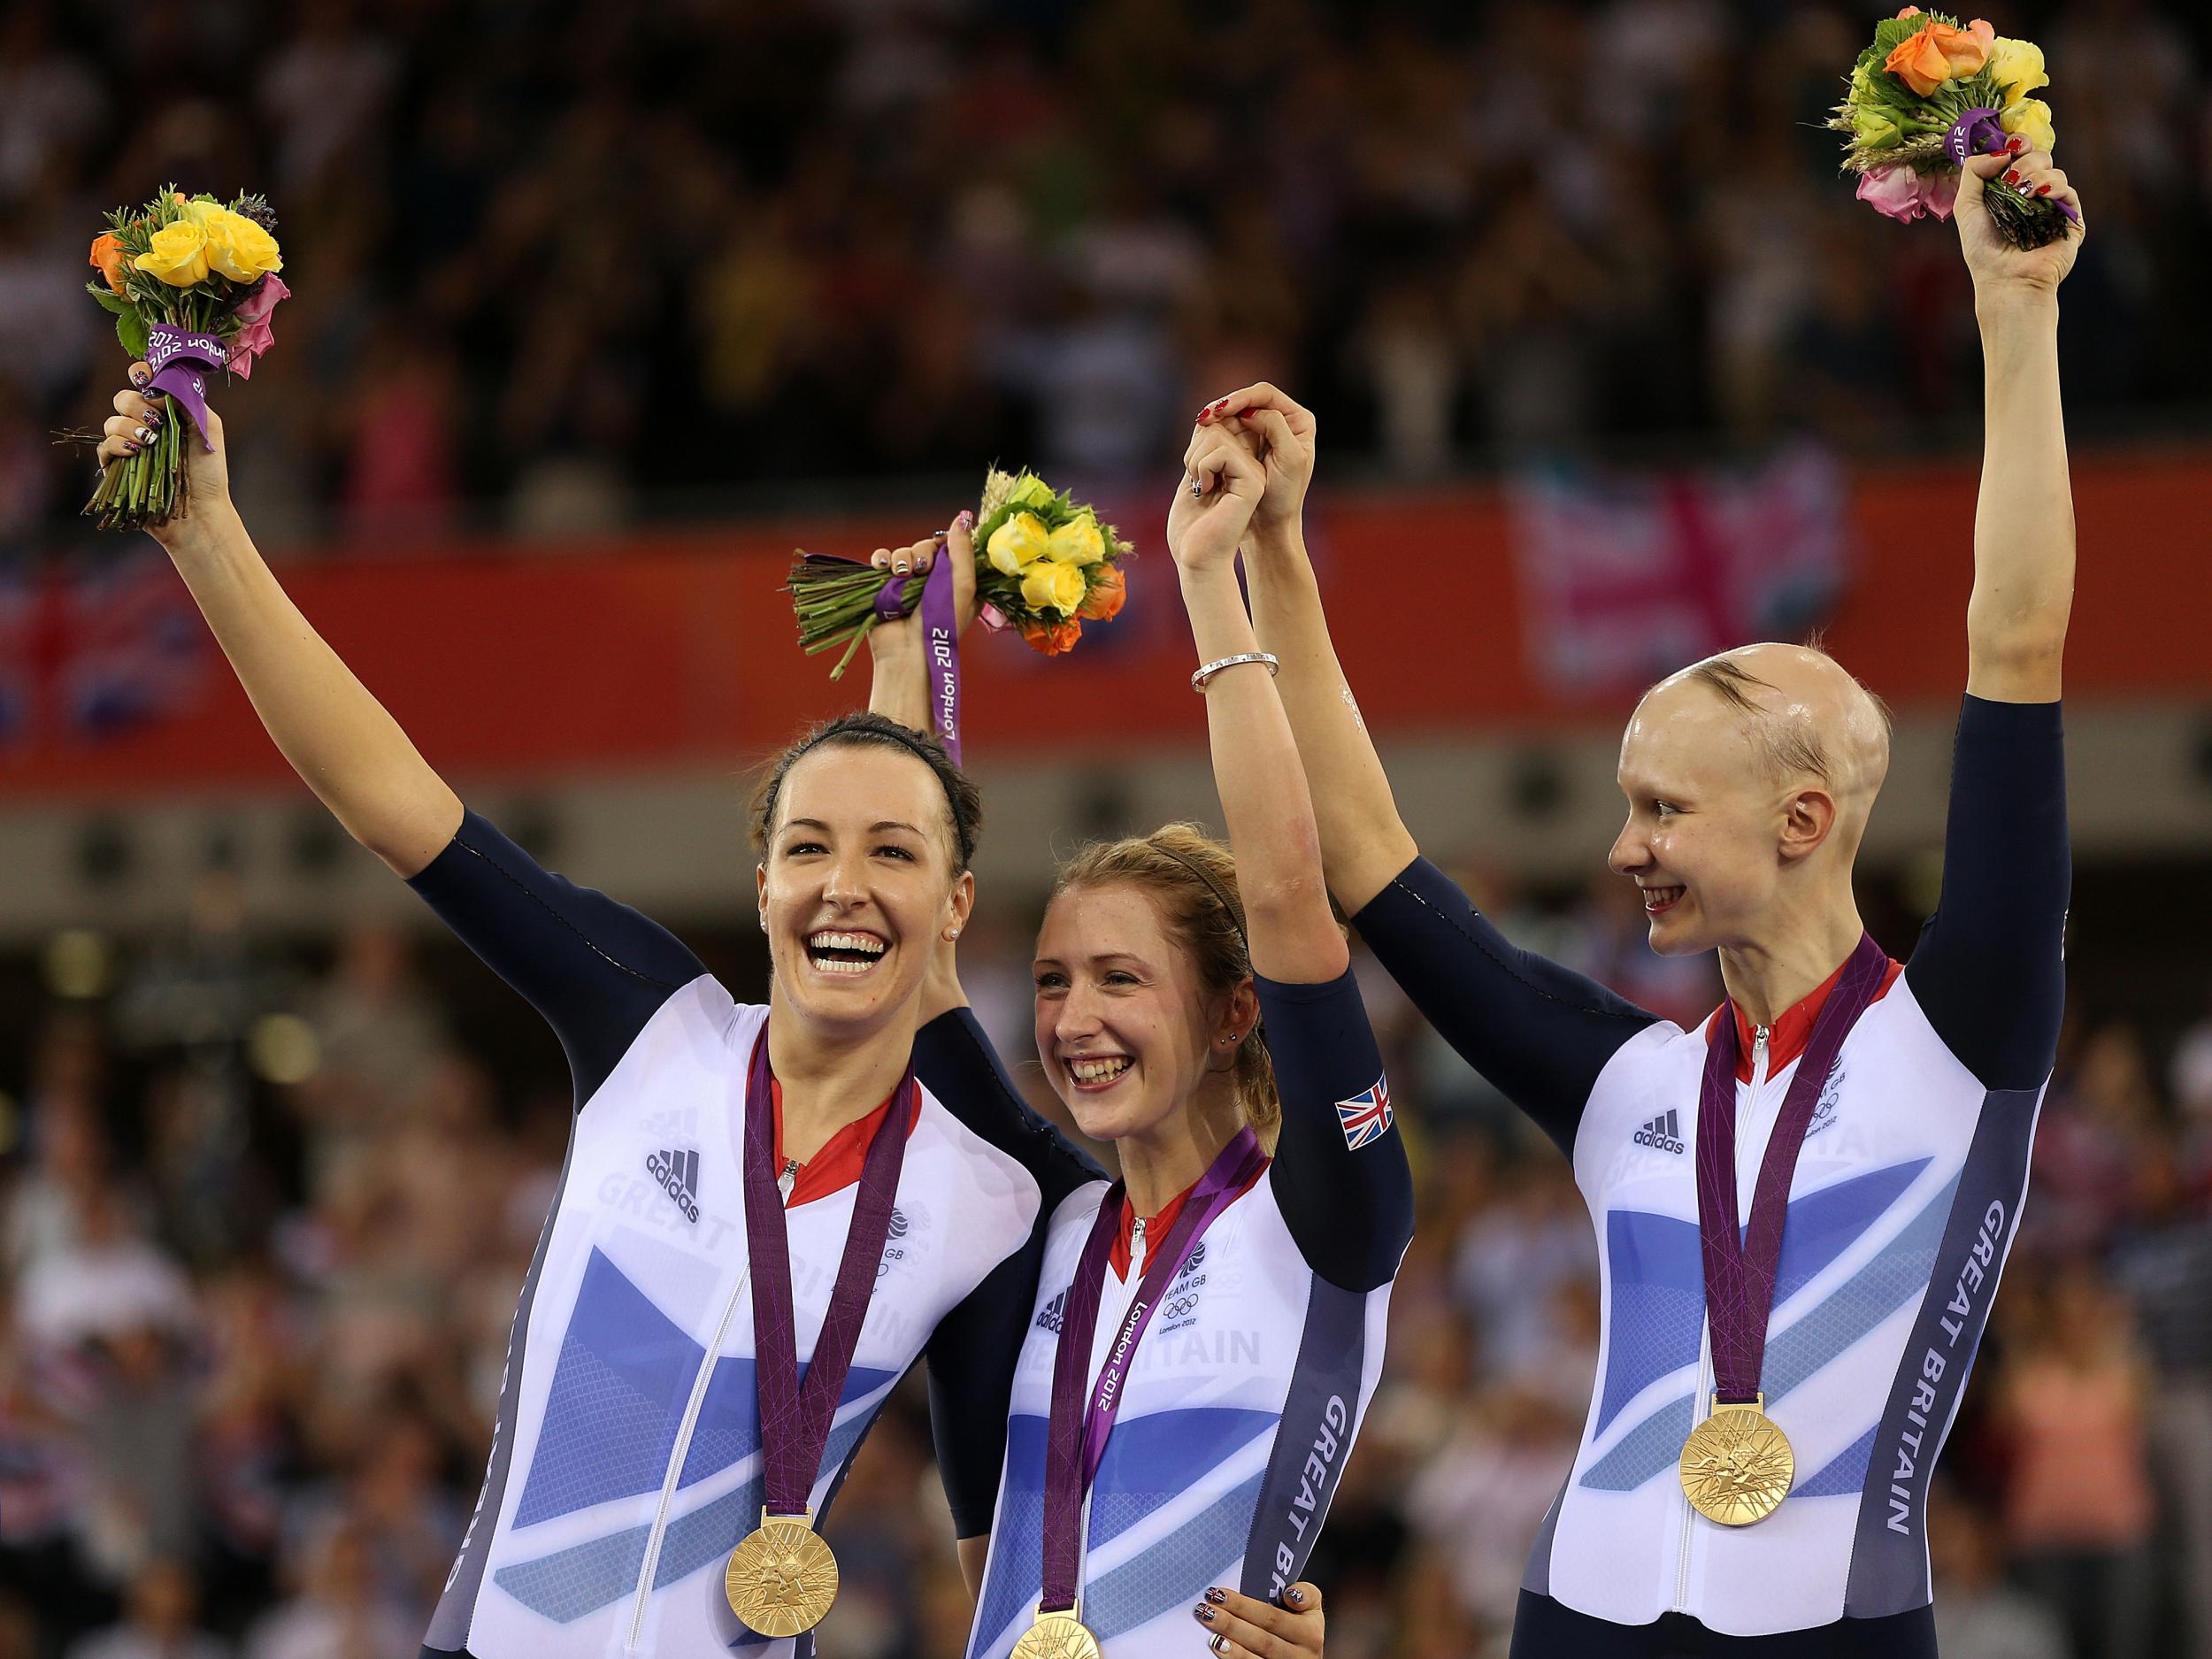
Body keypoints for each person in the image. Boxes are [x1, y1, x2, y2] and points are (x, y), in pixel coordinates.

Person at [1204, 140, 2083, 1655]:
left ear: (1806, 820)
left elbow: (2015, 645)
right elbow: (1373, 864)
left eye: (1664, 808)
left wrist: (2015, 315)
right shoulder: (1631, 1085)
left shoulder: (1962, 1037)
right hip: (1573, 1619)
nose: (1625, 851)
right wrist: (1282, 555)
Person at [88, 392, 1099, 1658]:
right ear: (763, 887)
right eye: (808, 848)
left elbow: (1006, 1566)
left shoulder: (995, 1201)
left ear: (955, 905)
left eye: (894, 853)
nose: (844, 883)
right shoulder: (655, 1025)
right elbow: (396, 801)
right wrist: (211, 539)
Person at [858, 422, 1413, 1657]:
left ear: (1233, 1011)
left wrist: (1213, 581)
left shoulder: (1326, 1217)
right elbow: (917, 974)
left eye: (1121, 980)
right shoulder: (1049, 1226)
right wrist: (907, 679)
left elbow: (1285, 893)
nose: (1071, 1022)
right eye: (1053, 982)